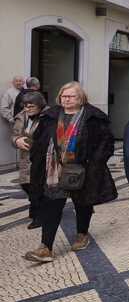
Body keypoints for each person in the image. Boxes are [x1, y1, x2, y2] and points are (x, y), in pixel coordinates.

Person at [23, 82, 117, 263]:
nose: (66, 99)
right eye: (64, 96)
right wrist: (22, 141)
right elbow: (38, 139)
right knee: (52, 204)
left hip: (83, 168)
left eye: (71, 96)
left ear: (81, 98)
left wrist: (94, 163)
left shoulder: (93, 118)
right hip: (55, 168)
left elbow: (106, 143)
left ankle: (82, 233)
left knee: (82, 202)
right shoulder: (50, 116)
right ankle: (45, 247)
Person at [10, 92, 48, 229]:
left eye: (31, 106)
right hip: (26, 157)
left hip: (42, 157)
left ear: (40, 105)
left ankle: (39, 215)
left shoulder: (47, 116)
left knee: (37, 187)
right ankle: (36, 210)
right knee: (26, 185)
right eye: (25, 106)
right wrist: (17, 140)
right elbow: (14, 135)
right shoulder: (21, 116)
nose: (28, 109)